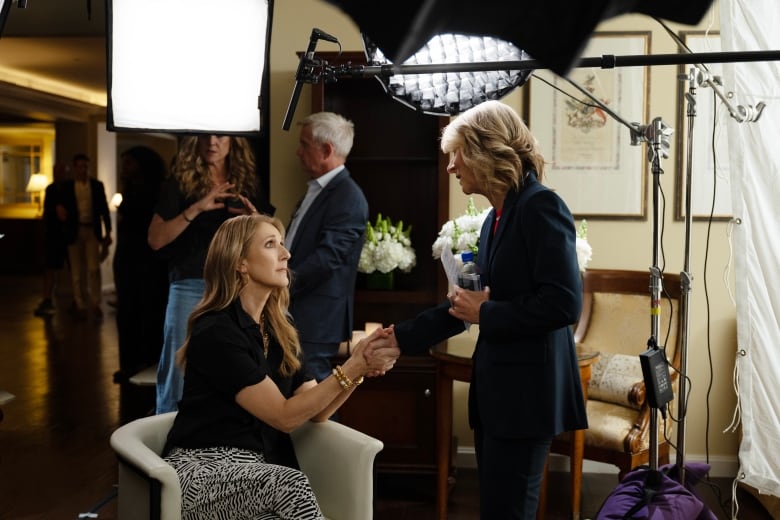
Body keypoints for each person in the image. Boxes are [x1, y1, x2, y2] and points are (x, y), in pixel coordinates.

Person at [366, 100, 587, 519]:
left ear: (487, 151)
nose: (450, 166)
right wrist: (400, 339)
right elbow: (467, 303)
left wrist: (488, 312)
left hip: (526, 398)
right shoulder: (494, 220)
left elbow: (564, 303)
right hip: (498, 395)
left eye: (457, 153)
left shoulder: (542, 207)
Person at [162, 213, 395, 520]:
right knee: (290, 484)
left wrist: (359, 370)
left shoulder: (279, 329)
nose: (286, 254)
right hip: (202, 470)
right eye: (271, 245)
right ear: (240, 262)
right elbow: (284, 417)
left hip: (258, 471)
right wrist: (351, 369)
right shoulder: (217, 331)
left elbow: (318, 410)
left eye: (282, 244)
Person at [149, 134, 274, 414]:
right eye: (205, 136)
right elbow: (156, 239)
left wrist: (256, 220)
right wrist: (198, 207)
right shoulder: (179, 183)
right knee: (177, 367)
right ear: (195, 140)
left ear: (234, 141)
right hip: (189, 283)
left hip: (237, 286)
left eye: (221, 136)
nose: (212, 143)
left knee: (236, 361)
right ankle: (166, 438)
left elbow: (270, 238)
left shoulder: (249, 182)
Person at [286, 112, 368, 382]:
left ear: (326, 150)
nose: (298, 152)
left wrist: (281, 283)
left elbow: (327, 258)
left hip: (316, 318)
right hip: (301, 311)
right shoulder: (319, 189)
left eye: (304, 144)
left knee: (314, 394)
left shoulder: (348, 196)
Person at [112, 146, 169, 383]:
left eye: (128, 163)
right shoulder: (137, 188)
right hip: (130, 256)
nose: (124, 168)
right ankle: (132, 362)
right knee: (129, 309)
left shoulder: (153, 191)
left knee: (147, 308)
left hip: (146, 258)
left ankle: (144, 361)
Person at [60, 153, 113, 320]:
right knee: (76, 271)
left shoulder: (97, 186)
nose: (83, 170)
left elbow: (104, 210)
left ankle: (95, 302)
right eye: (80, 166)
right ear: (75, 168)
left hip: (92, 230)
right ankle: (79, 303)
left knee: (93, 268)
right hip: (74, 231)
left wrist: (108, 232)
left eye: (86, 166)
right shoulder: (68, 187)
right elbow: (62, 207)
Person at [33, 163, 71, 317]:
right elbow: (48, 211)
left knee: (73, 267)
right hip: (53, 234)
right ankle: (47, 298)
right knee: (50, 268)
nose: (58, 174)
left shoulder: (69, 189)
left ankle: (77, 299)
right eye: (56, 172)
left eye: (61, 171)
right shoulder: (50, 189)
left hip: (67, 234)